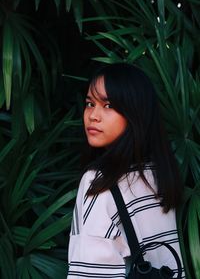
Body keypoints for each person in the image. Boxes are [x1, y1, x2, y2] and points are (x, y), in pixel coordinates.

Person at [67, 63, 185, 278]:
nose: (93, 115)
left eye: (108, 105)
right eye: (89, 103)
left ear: (135, 114)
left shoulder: (98, 181)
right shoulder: (158, 172)